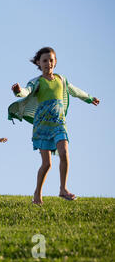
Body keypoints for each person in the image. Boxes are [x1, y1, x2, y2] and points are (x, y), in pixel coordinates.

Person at [8, 47, 100, 205]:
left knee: (64, 154)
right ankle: (37, 194)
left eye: (51, 60)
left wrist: (89, 98)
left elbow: (75, 91)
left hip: (59, 124)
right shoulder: (37, 82)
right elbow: (26, 91)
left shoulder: (61, 80)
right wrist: (18, 91)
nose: (48, 63)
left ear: (55, 62)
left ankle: (63, 189)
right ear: (38, 63)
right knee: (47, 163)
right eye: (44, 60)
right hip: (42, 127)